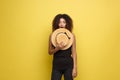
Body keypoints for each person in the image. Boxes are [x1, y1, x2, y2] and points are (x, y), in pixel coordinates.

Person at [48, 14, 77, 80]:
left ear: (67, 24)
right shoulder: (52, 35)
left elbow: (74, 53)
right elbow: (50, 52)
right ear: (56, 24)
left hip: (68, 66)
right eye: (59, 22)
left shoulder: (71, 35)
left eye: (64, 22)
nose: (61, 24)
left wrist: (75, 68)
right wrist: (57, 48)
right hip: (56, 65)